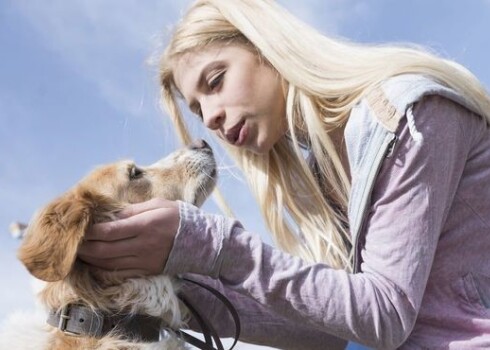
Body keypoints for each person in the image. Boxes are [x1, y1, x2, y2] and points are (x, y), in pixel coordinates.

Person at [78, 0, 490, 348]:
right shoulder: (326, 174)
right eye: (198, 110)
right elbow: (333, 327)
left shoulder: (409, 115)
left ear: (267, 49)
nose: (212, 118)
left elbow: (384, 316)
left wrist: (209, 245)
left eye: (217, 81)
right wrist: (166, 297)